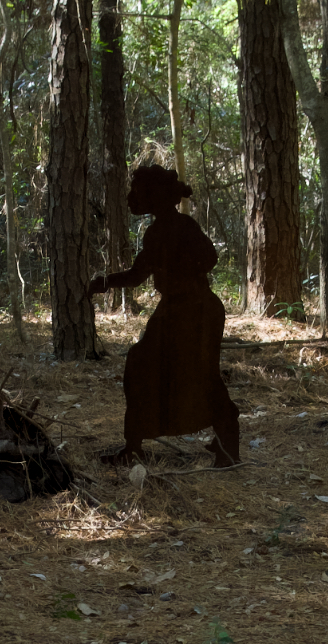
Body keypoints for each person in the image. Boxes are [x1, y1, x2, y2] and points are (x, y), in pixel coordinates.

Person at [89, 163, 241, 468]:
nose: (132, 198)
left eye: (137, 192)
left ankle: (226, 445)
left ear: (153, 196)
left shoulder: (170, 229)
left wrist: (103, 283)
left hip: (193, 311)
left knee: (177, 370)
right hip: (183, 309)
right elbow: (140, 273)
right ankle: (140, 445)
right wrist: (104, 283)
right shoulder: (168, 228)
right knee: (154, 367)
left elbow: (204, 259)